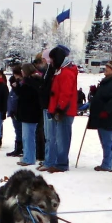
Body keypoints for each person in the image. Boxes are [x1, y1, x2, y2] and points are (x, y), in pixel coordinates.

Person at [41, 45, 78, 173]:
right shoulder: (61, 71)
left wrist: (59, 109)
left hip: (64, 111)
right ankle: (59, 162)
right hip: (60, 110)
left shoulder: (66, 73)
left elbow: (65, 93)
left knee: (62, 138)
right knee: (59, 137)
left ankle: (61, 164)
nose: (50, 62)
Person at [87, 60, 112, 172]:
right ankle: (106, 162)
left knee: (107, 141)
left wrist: (106, 111)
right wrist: (95, 92)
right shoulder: (107, 82)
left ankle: (108, 164)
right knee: (104, 141)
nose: (105, 69)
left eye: (108, 67)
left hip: (108, 116)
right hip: (102, 116)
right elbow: (104, 96)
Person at [16, 63, 43, 167]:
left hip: (29, 112)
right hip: (29, 112)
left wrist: (18, 87)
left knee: (28, 136)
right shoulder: (33, 81)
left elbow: (25, 96)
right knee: (26, 136)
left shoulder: (29, 83)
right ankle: (28, 156)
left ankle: (29, 158)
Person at [6, 66, 23, 157]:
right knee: (17, 130)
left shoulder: (20, 85)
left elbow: (16, 98)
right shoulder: (14, 86)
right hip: (14, 110)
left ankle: (20, 148)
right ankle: (18, 148)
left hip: (17, 111)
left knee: (19, 130)